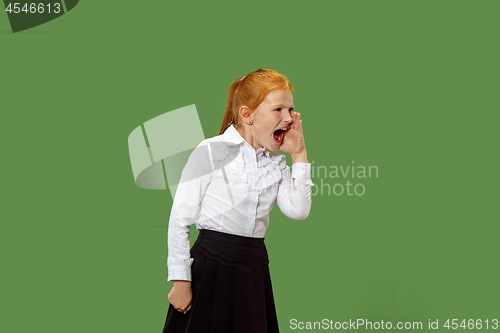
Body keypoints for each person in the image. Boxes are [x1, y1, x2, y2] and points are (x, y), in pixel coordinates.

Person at [162, 68, 314, 333]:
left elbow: (298, 210)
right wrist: (180, 280)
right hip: (210, 267)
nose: (289, 118)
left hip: (252, 269)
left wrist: (299, 154)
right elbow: (179, 220)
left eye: (291, 109)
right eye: (278, 110)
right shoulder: (211, 151)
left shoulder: (276, 163)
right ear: (247, 115)